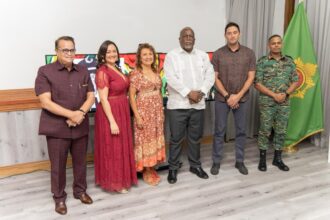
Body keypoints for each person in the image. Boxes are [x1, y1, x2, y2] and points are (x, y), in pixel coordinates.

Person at [35, 36, 95, 215]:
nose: (69, 53)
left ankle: (80, 191)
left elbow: (91, 96)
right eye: (65, 50)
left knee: (80, 163)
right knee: (58, 166)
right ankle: (59, 198)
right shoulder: (45, 71)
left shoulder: (83, 70)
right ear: (57, 51)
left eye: (72, 50)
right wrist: (72, 115)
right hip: (56, 128)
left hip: (80, 126)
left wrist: (81, 114)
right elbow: (45, 102)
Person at [164, 27, 215, 184]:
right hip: (177, 105)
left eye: (190, 36)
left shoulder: (203, 56)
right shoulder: (171, 56)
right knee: (176, 138)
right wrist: (188, 93)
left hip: (197, 105)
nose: (188, 38)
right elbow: (170, 78)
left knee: (195, 138)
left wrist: (201, 92)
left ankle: (195, 165)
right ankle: (173, 168)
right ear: (179, 39)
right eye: (184, 36)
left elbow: (210, 75)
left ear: (194, 39)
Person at [211, 22, 256, 176]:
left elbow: (251, 77)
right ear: (225, 35)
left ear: (239, 34)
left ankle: (240, 161)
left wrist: (238, 96)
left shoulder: (249, 53)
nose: (232, 35)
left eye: (234, 32)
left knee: (241, 131)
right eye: (229, 33)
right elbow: (214, 78)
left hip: (241, 99)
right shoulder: (217, 54)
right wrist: (228, 96)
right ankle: (216, 162)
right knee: (219, 131)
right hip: (222, 99)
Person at [94, 40, 137, 193]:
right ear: (103, 56)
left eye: (114, 51)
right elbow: (103, 98)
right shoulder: (102, 72)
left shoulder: (117, 68)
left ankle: (123, 178)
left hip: (122, 110)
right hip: (110, 112)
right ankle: (115, 182)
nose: (112, 54)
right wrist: (112, 122)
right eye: (108, 52)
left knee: (121, 146)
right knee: (112, 147)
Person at [255, 34, 299, 172]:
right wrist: (274, 95)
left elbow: (295, 81)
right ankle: (262, 159)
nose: (276, 45)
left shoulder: (289, 62)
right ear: (269, 45)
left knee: (281, 131)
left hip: (284, 102)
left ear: (281, 44)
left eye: (278, 43)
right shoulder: (262, 62)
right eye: (273, 43)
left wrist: (285, 94)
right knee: (265, 130)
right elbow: (257, 83)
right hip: (267, 102)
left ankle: (277, 159)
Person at [129, 43, 166, 186]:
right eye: (144, 54)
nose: (148, 57)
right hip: (144, 112)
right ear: (139, 57)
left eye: (150, 54)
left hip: (156, 112)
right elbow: (132, 97)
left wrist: (161, 111)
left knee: (154, 139)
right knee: (145, 140)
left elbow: (159, 92)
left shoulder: (156, 72)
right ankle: (146, 170)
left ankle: (151, 167)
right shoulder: (136, 74)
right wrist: (137, 116)